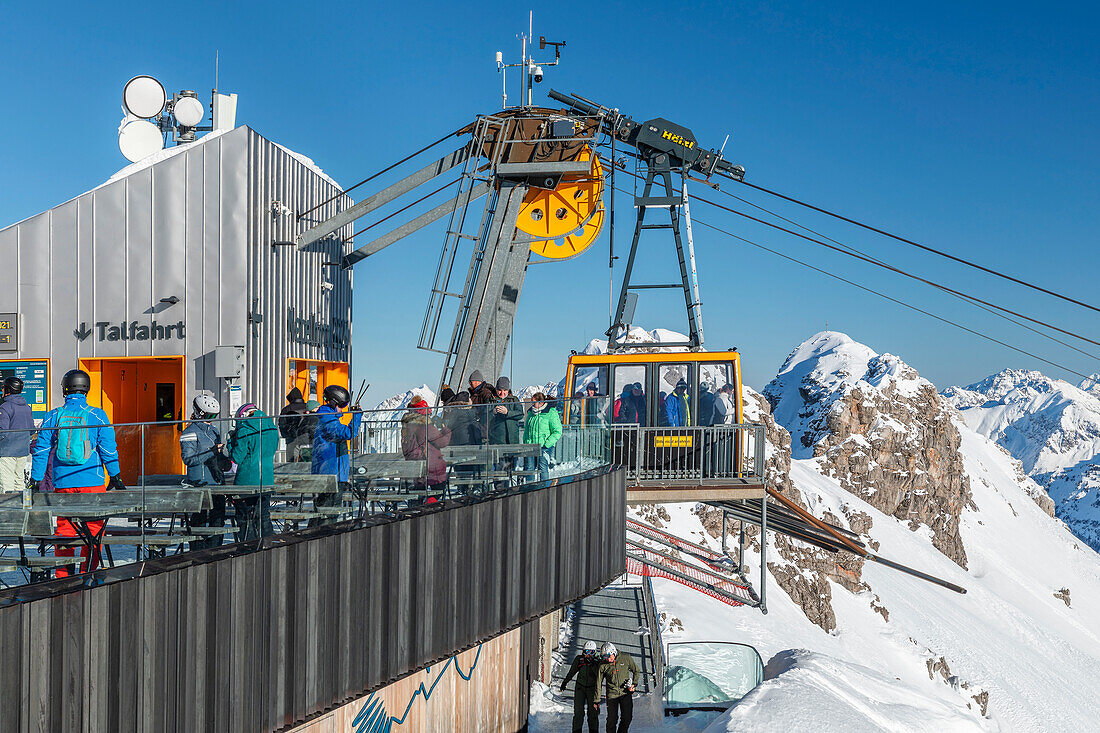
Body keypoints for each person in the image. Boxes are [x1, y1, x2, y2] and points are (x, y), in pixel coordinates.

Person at [29, 369, 124, 578]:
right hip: (92, 480)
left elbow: (42, 450)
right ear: (86, 389)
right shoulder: (97, 415)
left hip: (63, 481)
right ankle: (87, 572)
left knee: (65, 528)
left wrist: (35, 479)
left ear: (65, 388)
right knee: (93, 530)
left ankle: (64, 574)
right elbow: (108, 449)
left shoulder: (53, 415)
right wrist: (115, 475)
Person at [180, 394, 228, 551]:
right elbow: (189, 459)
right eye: (209, 415)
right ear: (199, 413)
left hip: (216, 482)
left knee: (218, 519)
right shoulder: (190, 432)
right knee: (199, 520)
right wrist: (212, 451)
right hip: (199, 484)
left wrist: (226, 459)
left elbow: (218, 457)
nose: (211, 419)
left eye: (214, 416)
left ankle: (215, 550)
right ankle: (198, 551)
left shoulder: (213, 431)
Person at [310, 384, 363, 526]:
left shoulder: (330, 418)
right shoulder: (327, 419)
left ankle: (321, 535)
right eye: (342, 405)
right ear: (333, 403)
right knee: (327, 515)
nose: (344, 408)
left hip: (335, 474)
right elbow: (348, 433)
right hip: (329, 475)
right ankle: (320, 538)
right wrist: (356, 417)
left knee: (328, 513)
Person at [227, 402, 279, 540]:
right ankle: (268, 545)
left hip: (246, 481)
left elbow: (237, 456)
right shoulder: (272, 429)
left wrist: (230, 442)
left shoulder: (245, 430)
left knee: (245, 519)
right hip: (267, 479)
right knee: (263, 516)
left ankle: (247, 548)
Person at [401, 396, 451, 497]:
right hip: (431, 465)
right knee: (439, 489)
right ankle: (429, 508)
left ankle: (416, 508)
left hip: (415, 465)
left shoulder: (407, 426)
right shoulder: (426, 426)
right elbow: (441, 442)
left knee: (419, 491)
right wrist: (446, 430)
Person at [0, 376, 34, 493]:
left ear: (8, 390)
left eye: (3, 388)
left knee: (6, 483)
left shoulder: (5, 407)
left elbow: (2, 430)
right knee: (19, 481)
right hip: (22, 451)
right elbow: (32, 430)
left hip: (7, 451)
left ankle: (7, 509)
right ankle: (20, 508)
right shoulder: (26, 407)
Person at [561, 640, 603, 733]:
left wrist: (593, 665)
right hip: (580, 687)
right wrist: (565, 682)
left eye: (591, 652)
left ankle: (594, 731)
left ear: (594, 652)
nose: (588, 655)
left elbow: (600, 675)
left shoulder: (598, 661)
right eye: (586, 652)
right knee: (578, 713)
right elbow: (572, 671)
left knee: (592, 713)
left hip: (593, 689)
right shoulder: (579, 659)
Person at [599, 642, 639, 733]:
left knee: (627, 717)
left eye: (608, 656)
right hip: (612, 695)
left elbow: (636, 670)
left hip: (625, 693)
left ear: (613, 652)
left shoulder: (626, 658)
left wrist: (634, 684)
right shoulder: (603, 665)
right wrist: (596, 700)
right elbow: (598, 682)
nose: (607, 659)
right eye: (604, 657)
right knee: (612, 720)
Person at [523, 392, 562, 481]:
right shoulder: (530, 412)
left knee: (542, 468)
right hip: (530, 446)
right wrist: (526, 442)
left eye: (534, 402)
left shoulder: (550, 412)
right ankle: (529, 488)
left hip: (544, 447)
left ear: (541, 402)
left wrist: (547, 444)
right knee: (529, 469)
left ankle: (544, 487)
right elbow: (527, 430)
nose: (532, 404)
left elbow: (557, 431)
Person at [278, 387, 311, 461]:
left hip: (291, 439)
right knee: (306, 462)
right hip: (306, 438)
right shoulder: (307, 407)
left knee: (291, 462)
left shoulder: (286, 409)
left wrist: (285, 435)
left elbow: (281, 423)